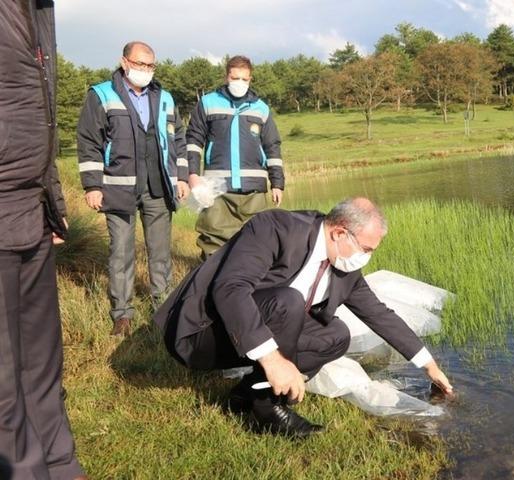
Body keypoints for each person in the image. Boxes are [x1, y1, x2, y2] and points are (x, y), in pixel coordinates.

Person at [153, 198, 453, 437]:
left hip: (255, 331)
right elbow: (230, 289)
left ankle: (245, 395)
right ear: (339, 232)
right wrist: (274, 361)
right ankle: (268, 409)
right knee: (288, 301)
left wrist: (429, 365)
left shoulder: (344, 268)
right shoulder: (275, 228)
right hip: (201, 334)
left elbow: (379, 315)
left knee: (335, 335)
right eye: (365, 249)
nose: (366, 257)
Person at [0, 1, 88, 478]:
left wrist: (51, 200)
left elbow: (41, 122)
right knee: (3, 378)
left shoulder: (37, 9)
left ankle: (60, 462)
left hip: (29, 209)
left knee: (41, 362)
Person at [77, 41, 188, 336]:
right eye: (140, 64)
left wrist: (183, 177)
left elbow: (178, 141)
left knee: (160, 253)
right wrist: (92, 185)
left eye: (151, 66)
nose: (146, 71)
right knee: (121, 252)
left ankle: (163, 307)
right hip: (118, 189)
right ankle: (122, 314)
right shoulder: (101, 95)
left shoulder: (164, 97)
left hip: (158, 187)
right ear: (124, 62)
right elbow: (89, 141)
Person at [185, 55, 285, 258]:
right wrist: (193, 175)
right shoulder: (207, 103)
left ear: (251, 79)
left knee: (256, 243)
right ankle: (210, 286)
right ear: (226, 77)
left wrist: (277, 183)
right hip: (218, 187)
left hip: (253, 189)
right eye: (235, 78)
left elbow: (272, 147)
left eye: (244, 79)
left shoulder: (261, 109)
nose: (239, 83)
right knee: (214, 242)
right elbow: (193, 142)